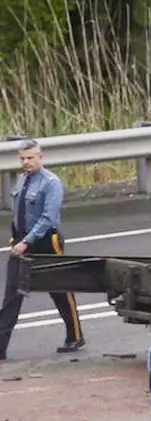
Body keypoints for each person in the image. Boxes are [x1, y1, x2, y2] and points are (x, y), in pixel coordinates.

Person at [0, 140, 86, 360]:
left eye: (30, 157)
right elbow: (18, 212)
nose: (26, 162)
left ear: (40, 157)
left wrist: (26, 242)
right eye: (22, 158)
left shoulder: (51, 183)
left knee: (59, 289)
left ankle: (75, 336)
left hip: (47, 242)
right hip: (22, 242)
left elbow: (48, 219)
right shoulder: (21, 180)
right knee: (12, 294)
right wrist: (15, 237)